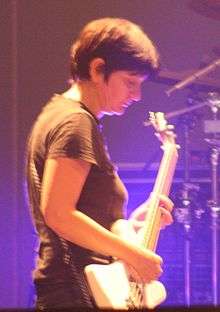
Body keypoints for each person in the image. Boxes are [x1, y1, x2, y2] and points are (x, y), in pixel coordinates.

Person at [26, 17, 174, 310]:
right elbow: (58, 215)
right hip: (73, 292)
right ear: (97, 69)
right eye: (129, 83)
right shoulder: (75, 122)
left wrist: (133, 225)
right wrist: (134, 255)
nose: (136, 96)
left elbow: (77, 215)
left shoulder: (65, 115)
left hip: (74, 288)